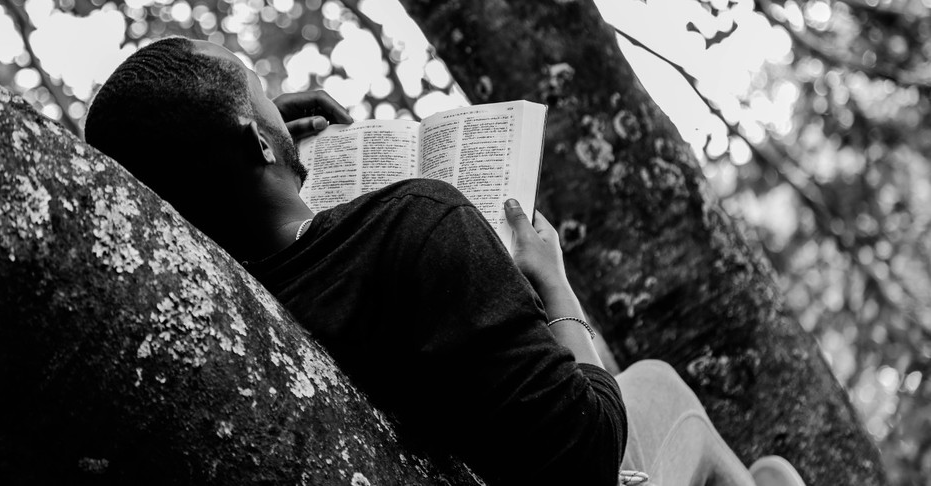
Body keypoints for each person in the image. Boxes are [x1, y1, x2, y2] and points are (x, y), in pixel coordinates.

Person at [85, 36, 807, 486]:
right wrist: (553, 284)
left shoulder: (230, 316)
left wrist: (257, 145)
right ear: (258, 139)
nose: (276, 97)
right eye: (257, 86)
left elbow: (188, 157)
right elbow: (585, 457)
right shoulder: (417, 225)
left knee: (757, 469)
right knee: (658, 385)